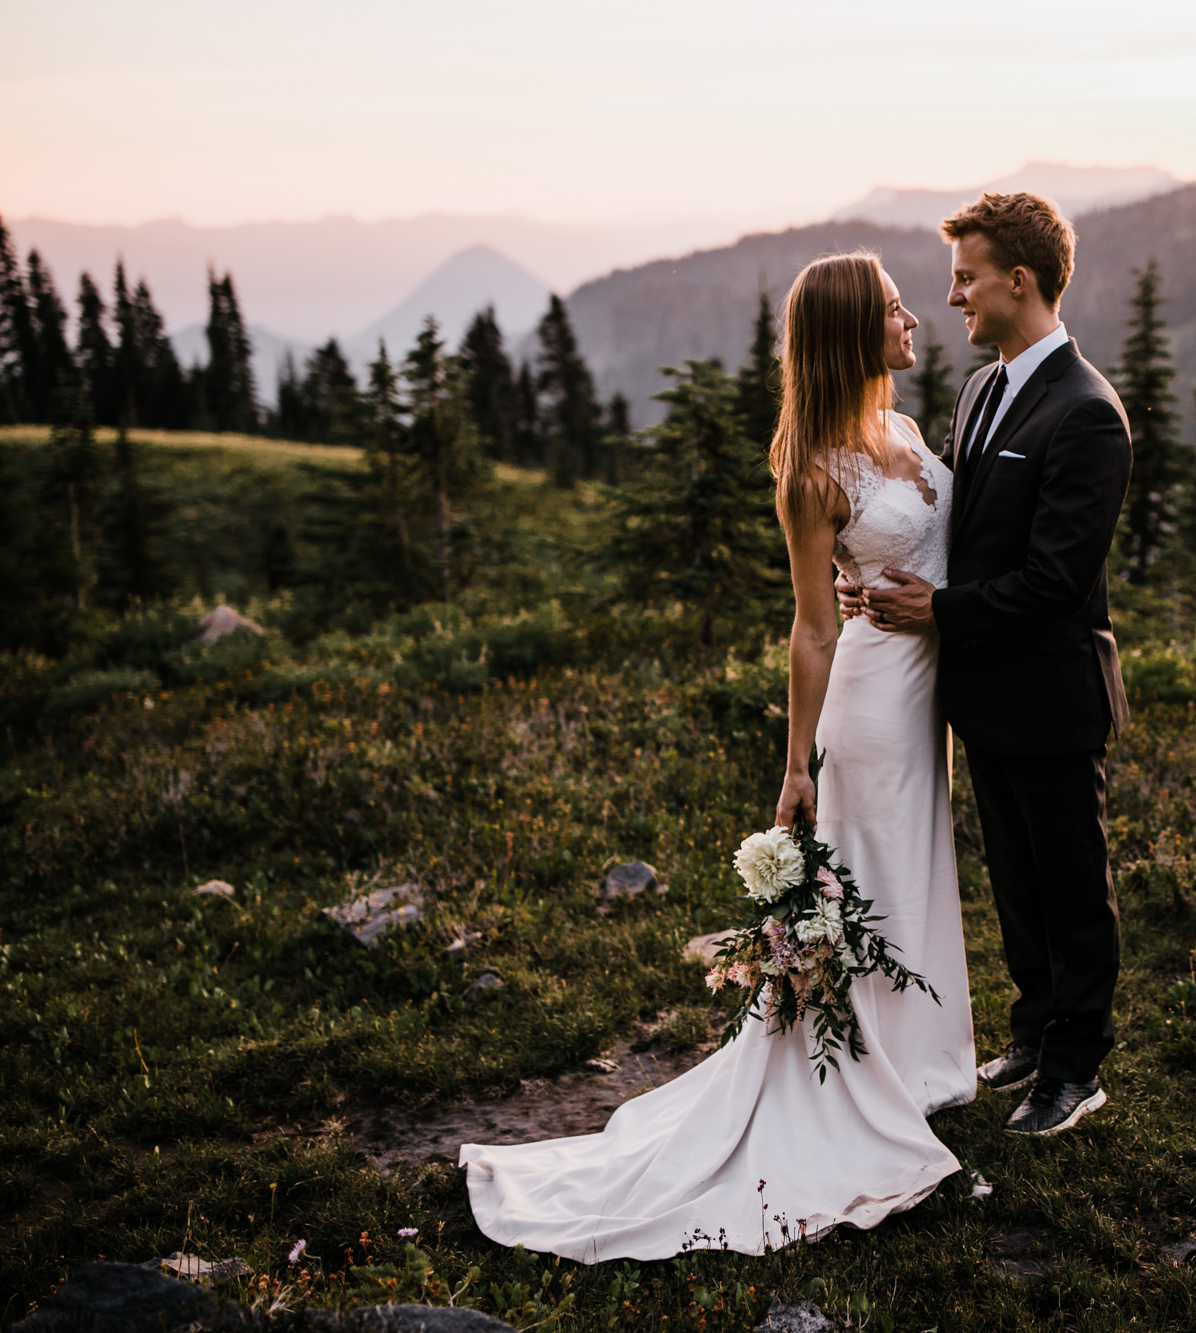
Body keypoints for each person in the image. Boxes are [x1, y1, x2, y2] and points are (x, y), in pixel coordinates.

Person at [459, 252, 975, 1262]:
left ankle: (922, 1062)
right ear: (845, 334)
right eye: (889, 309)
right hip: (868, 707)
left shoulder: (906, 431)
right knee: (868, 881)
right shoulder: (812, 468)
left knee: (918, 873)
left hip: (927, 698)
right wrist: (794, 768)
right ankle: (867, 1082)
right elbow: (812, 627)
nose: (913, 315)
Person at [861, 192, 1132, 1137]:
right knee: (1016, 880)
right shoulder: (981, 390)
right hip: (983, 692)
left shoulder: (1089, 414)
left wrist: (933, 610)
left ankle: (1076, 1066)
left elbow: (1056, 581)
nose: (952, 296)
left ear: (1020, 280)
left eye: (967, 276)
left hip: (1054, 692)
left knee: (1071, 882)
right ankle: (1032, 1028)